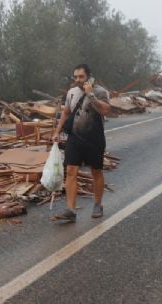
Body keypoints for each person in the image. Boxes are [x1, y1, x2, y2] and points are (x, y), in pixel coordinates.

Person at [52, 64, 111, 221]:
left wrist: (90, 95)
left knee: (96, 172)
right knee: (71, 171)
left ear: (89, 77)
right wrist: (57, 132)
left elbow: (105, 110)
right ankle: (70, 210)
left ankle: (98, 205)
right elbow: (66, 113)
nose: (78, 80)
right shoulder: (71, 93)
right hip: (75, 138)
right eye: (76, 77)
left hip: (94, 139)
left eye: (81, 77)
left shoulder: (100, 91)